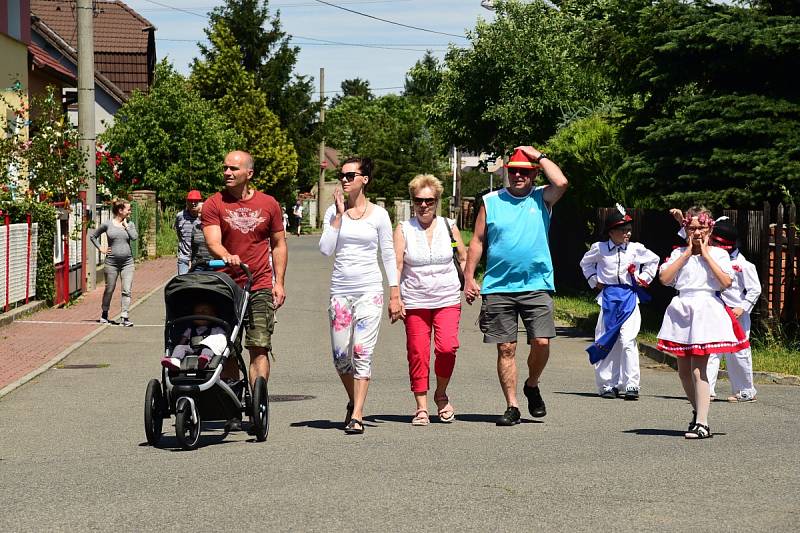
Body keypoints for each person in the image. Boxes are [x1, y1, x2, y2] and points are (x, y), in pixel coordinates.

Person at [464, 145, 568, 426]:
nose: (518, 175)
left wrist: (538, 155)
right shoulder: (491, 200)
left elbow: (561, 182)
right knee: (506, 348)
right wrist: (469, 277)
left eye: (524, 171)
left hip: (537, 283)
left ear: (533, 175)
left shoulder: (541, 198)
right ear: (507, 173)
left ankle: (532, 384)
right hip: (499, 286)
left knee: (542, 342)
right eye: (514, 171)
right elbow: (477, 240)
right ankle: (512, 406)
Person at [319, 156, 400, 435]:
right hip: (340, 292)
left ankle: (357, 414)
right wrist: (340, 215)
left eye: (350, 175)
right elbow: (325, 249)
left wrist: (395, 293)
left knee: (361, 351)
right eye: (342, 175)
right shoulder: (333, 212)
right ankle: (354, 400)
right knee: (341, 355)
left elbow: (388, 254)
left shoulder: (379, 215)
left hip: (370, 291)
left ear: (364, 179)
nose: (344, 179)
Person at [657, 207, 749, 439]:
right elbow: (665, 279)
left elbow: (726, 282)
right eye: (692, 227)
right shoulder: (678, 253)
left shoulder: (719, 254)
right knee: (683, 372)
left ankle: (702, 423)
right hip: (682, 309)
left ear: (709, 228)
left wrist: (705, 254)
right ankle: (698, 410)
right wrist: (687, 253)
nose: (696, 232)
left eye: (701, 227)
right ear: (686, 229)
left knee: (699, 369)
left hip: (705, 310)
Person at [202, 150, 287, 395]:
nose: (227, 173)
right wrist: (225, 254)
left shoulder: (269, 204)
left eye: (234, 169)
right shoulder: (214, 203)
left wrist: (278, 282)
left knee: (259, 346)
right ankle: (233, 402)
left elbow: (279, 244)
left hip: (258, 283)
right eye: (225, 168)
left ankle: (257, 400)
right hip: (226, 285)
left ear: (249, 173)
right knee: (227, 348)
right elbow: (212, 241)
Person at [392, 174, 466, 425]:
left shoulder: (449, 226)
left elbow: (463, 257)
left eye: (429, 201)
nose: (424, 205)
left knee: (447, 348)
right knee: (418, 352)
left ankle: (441, 393)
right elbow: (397, 266)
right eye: (419, 200)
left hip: (447, 297)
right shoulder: (403, 229)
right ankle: (421, 406)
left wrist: (471, 281)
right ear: (413, 201)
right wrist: (395, 297)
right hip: (414, 300)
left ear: (437, 201)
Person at [579, 205, 659, 400]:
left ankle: (631, 384)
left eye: (629, 229)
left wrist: (643, 278)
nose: (627, 233)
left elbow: (654, 260)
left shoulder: (635, 248)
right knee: (607, 340)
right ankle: (608, 385)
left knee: (628, 340)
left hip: (629, 298)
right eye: (623, 230)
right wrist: (593, 280)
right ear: (611, 231)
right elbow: (585, 263)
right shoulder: (600, 248)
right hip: (608, 298)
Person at [706, 219, 761, 402]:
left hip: (736, 313)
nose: (711, 244)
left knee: (739, 351)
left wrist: (743, 307)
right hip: (716, 309)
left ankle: (745, 390)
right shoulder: (712, 258)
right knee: (712, 350)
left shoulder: (744, 265)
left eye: (715, 241)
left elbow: (755, 289)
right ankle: (707, 388)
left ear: (725, 245)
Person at [90, 199, 138, 327]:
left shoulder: (130, 224)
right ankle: (105, 313)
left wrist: (127, 226)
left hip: (127, 262)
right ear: (120, 210)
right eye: (128, 209)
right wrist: (101, 248)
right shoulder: (107, 224)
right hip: (111, 263)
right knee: (109, 289)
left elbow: (134, 237)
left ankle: (124, 316)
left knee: (126, 290)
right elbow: (93, 236)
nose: (130, 211)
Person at [162, 302, 226, 371]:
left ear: (213, 315)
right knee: (179, 347)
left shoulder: (216, 329)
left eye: (204, 312)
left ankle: (204, 360)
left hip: (206, 348)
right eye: (197, 312)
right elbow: (183, 340)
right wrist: (178, 346)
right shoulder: (190, 329)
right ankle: (175, 360)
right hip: (191, 349)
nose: (200, 314)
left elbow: (222, 339)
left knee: (208, 349)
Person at [175, 190, 203, 275]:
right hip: (184, 257)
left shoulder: (204, 216)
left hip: (199, 259)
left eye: (196, 201)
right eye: (191, 201)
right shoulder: (180, 216)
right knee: (183, 283)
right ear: (187, 202)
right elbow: (179, 234)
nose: (193, 203)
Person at [190, 202, 213, 269]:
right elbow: (192, 247)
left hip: (213, 264)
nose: (199, 215)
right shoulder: (195, 228)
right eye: (198, 212)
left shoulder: (215, 228)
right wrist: (190, 263)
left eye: (201, 212)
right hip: (198, 265)